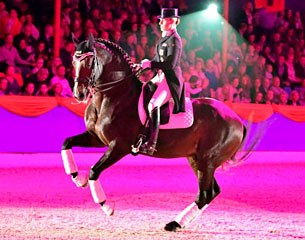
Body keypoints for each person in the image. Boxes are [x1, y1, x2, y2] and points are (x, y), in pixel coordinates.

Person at [139, 8, 185, 155]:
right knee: (143, 89)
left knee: (154, 104)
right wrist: (145, 64)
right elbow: (158, 61)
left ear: (172, 21)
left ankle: (152, 143)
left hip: (169, 79)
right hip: (159, 77)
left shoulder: (175, 40)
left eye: (162, 20)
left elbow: (170, 64)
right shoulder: (163, 39)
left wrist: (151, 65)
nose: (160, 23)